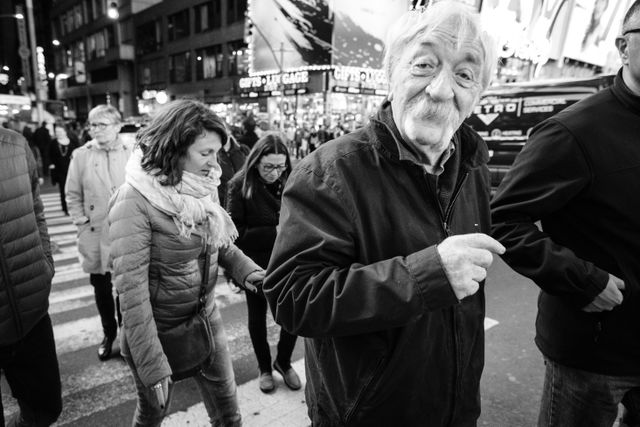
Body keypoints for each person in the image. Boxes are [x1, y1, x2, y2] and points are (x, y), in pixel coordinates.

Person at [263, 3, 503, 425]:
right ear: (391, 71)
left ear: (478, 94)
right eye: (425, 65)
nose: (442, 90)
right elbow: (291, 297)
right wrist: (427, 275)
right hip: (365, 414)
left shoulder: (473, 167)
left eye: (465, 74)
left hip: (456, 409)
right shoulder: (329, 172)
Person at [491, 2, 640, 426]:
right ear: (624, 47)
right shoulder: (573, 131)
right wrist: (582, 280)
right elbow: (502, 220)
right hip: (592, 355)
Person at [108, 99, 264, 426]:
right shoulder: (133, 199)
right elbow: (131, 294)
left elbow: (215, 242)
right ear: (175, 148)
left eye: (217, 152)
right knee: (152, 413)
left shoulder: (205, 187)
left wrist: (248, 271)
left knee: (229, 414)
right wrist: (152, 364)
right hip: (156, 329)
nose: (214, 162)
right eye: (205, 153)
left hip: (205, 317)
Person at [226, 133, 300, 394]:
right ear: (256, 161)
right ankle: (265, 367)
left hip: (289, 261)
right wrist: (276, 231)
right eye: (268, 166)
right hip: (255, 265)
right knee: (257, 317)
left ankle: (284, 361)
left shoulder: (291, 179)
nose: (275, 172)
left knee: (292, 316)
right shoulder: (240, 184)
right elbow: (234, 233)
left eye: (280, 166)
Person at [0, 128, 62, 426]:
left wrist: (44, 262)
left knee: (45, 408)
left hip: (31, 305)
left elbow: (36, 207)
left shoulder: (13, 142)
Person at [66, 105, 130, 361]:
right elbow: (72, 194)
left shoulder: (131, 152)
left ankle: (128, 337)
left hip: (125, 229)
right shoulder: (81, 155)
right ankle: (109, 333)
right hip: (94, 231)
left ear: (117, 126)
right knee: (102, 289)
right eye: (93, 125)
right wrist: (81, 222)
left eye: (102, 124)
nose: (96, 130)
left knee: (126, 288)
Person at [50, 123, 79, 215]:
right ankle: (65, 208)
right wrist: (51, 164)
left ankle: (74, 206)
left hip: (72, 169)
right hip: (60, 170)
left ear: (65, 132)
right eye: (56, 132)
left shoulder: (73, 142)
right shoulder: (53, 143)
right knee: (63, 189)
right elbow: (49, 156)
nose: (58, 133)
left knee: (73, 189)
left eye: (60, 131)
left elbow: (79, 153)